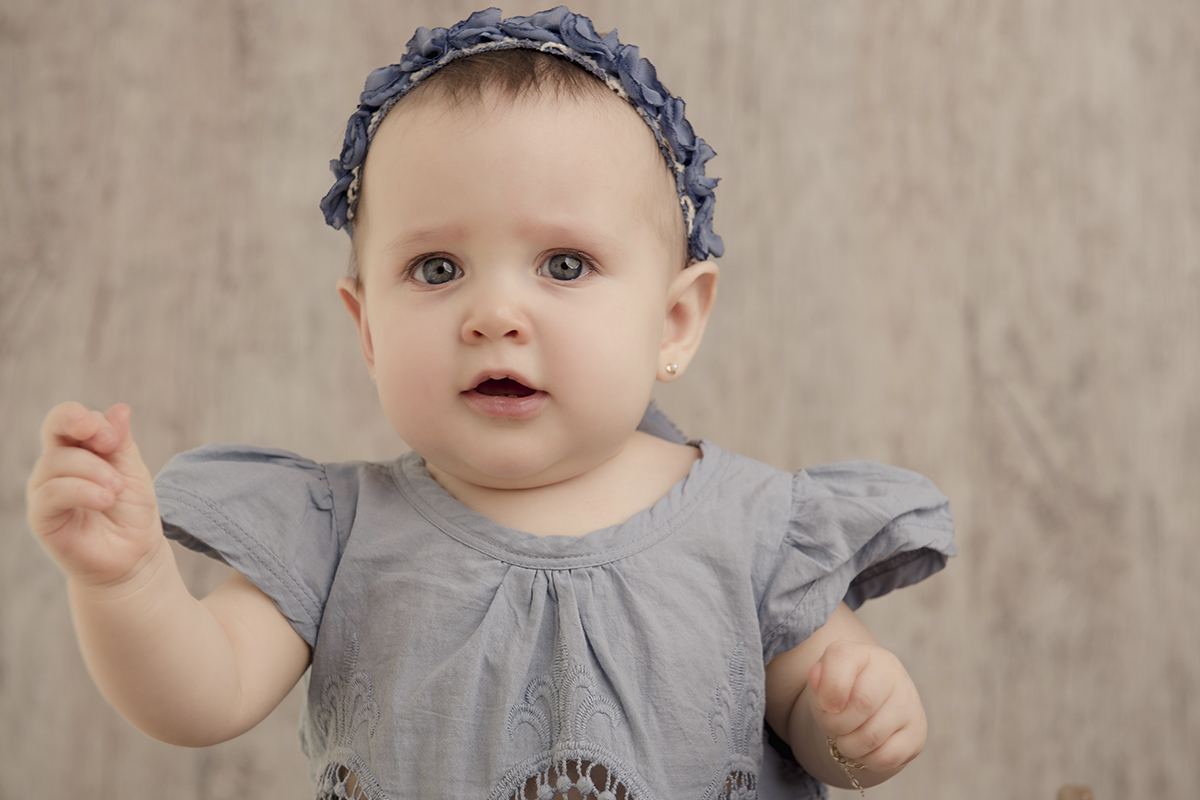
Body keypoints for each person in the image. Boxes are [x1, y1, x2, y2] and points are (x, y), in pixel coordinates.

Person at [25, 8, 954, 799]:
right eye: (437, 269)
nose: (494, 315)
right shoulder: (337, 534)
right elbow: (204, 694)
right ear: (367, 328)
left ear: (675, 321)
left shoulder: (757, 533)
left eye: (563, 265)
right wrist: (127, 584)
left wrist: (855, 720)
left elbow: (817, 712)